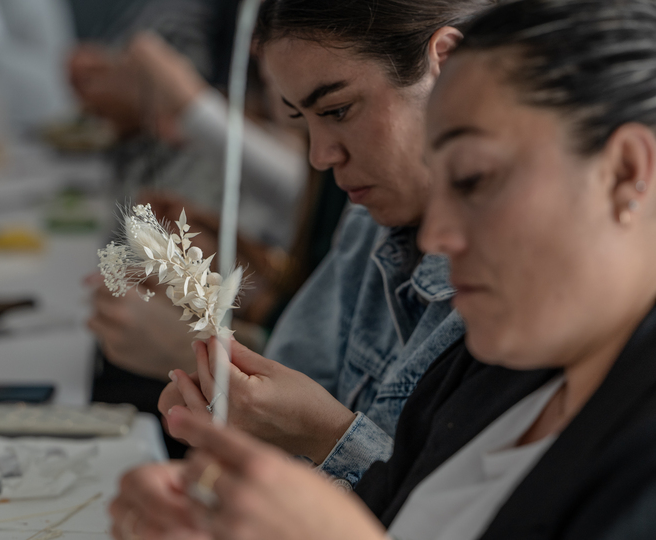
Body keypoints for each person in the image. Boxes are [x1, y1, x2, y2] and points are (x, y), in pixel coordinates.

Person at [109, 0, 656, 538]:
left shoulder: (507, 349)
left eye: (471, 180)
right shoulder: (489, 375)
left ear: (627, 170)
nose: (438, 235)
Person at [160, 0, 496, 488]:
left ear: (447, 65)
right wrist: (232, 405)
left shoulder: (513, 275)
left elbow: (462, 514)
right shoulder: (369, 224)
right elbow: (293, 379)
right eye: (304, 120)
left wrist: (323, 437)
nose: (321, 155)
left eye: (339, 110)